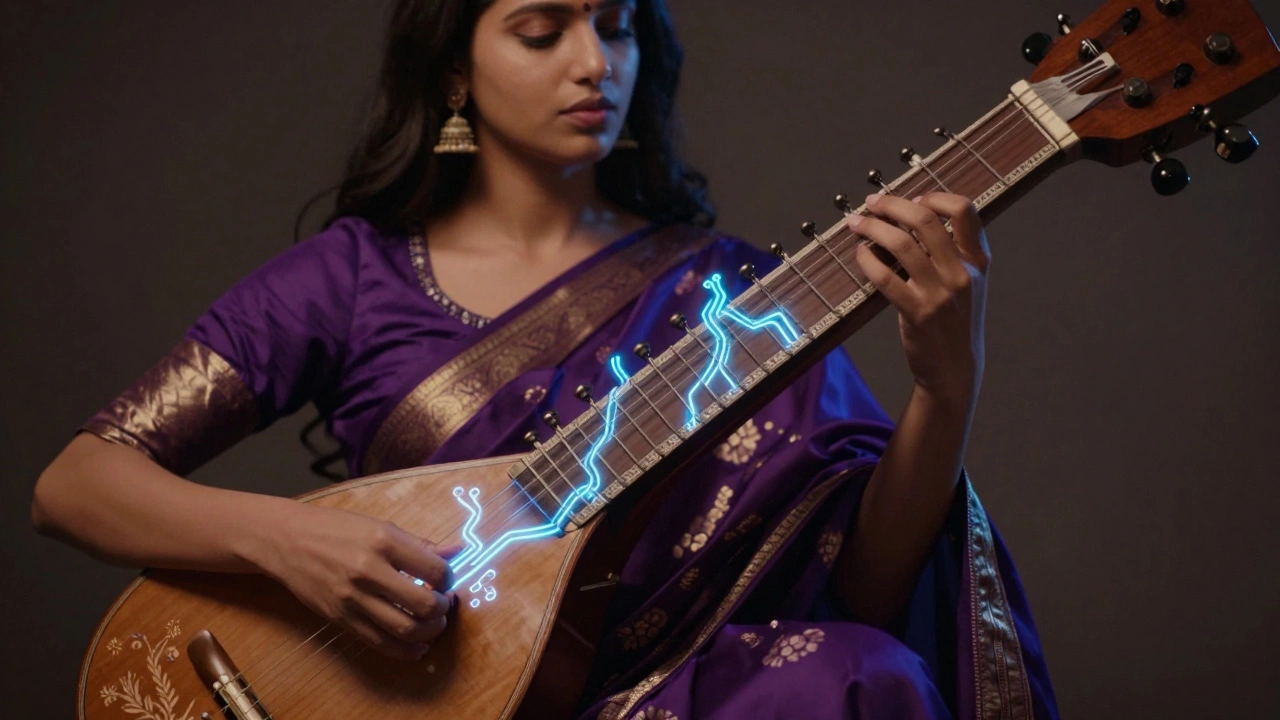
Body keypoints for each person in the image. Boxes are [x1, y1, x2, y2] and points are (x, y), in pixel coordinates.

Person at [31, 0, 1059, 717]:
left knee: (854, 674)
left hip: (659, 702)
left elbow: (869, 585)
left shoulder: (731, 296)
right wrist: (291, 544)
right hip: (403, 698)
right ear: (452, 68)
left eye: (614, 26)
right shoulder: (346, 279)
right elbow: (76, 486)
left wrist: (943, 383)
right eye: (540, 29)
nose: (592, 62)